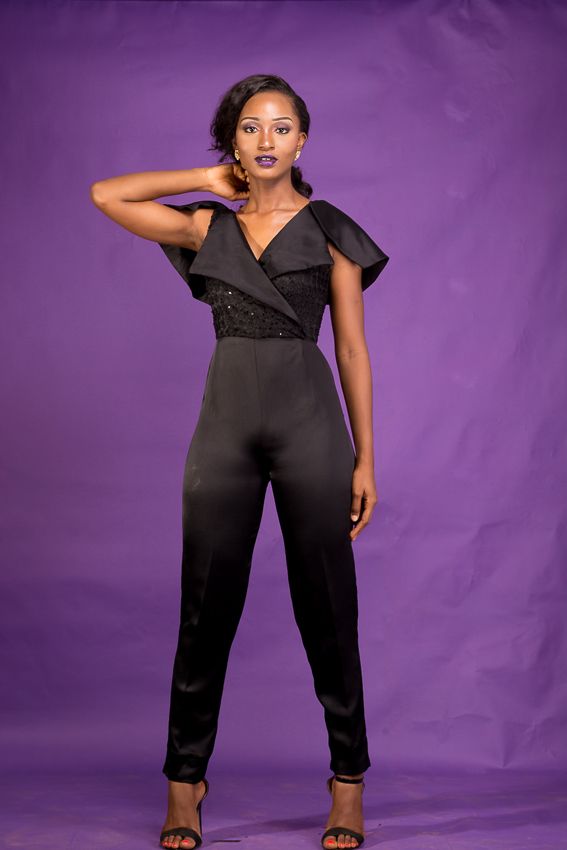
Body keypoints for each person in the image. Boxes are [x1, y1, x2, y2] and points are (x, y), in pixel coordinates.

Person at [90, 73, 390, 850]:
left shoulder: (330, 229)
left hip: (311, 429)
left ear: (302, 141)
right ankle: (184, 784)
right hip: (223, 432)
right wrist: (201, 178)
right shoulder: (206, 228)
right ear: (234, 142)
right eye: (250, 127)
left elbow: (351, 350)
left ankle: (347, 782)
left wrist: (365, 458)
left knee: (328, 607)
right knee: (205, 606)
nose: (265, 139)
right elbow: (105, 194)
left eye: (281, 127)